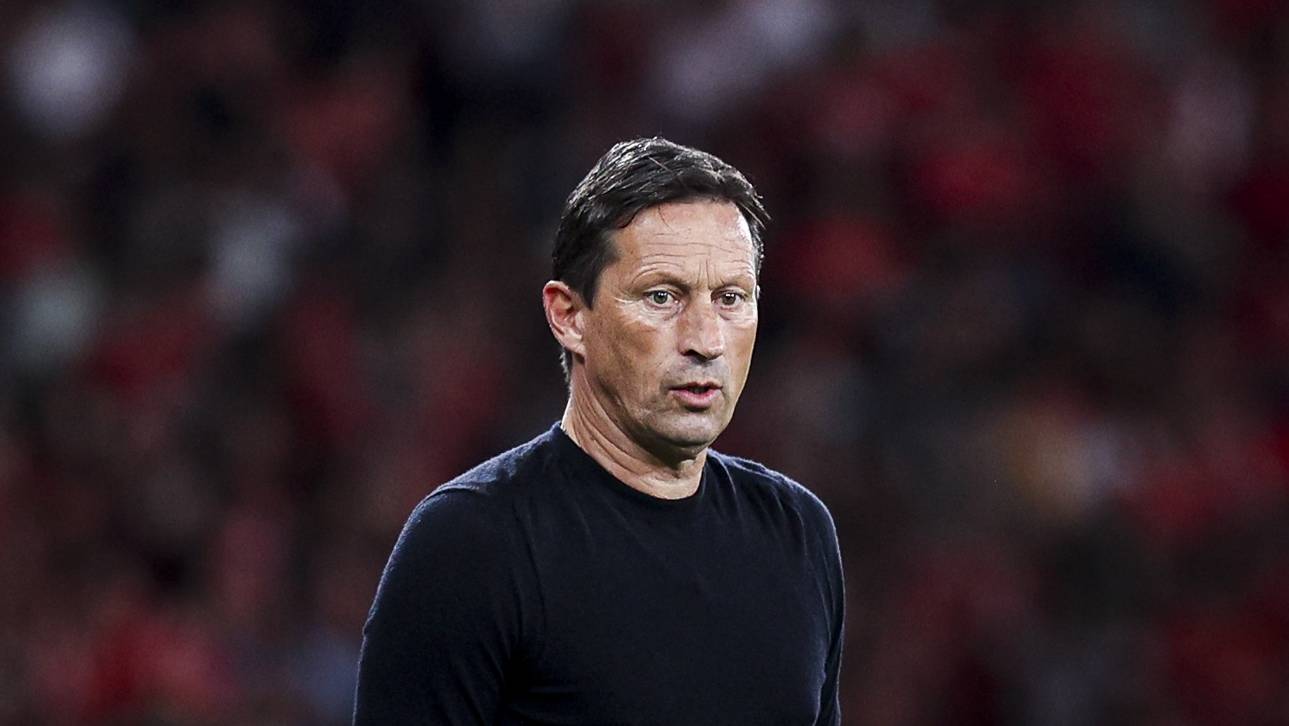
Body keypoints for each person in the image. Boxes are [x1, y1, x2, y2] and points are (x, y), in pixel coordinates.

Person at [353, 137, 844, 725]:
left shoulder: (798, 535)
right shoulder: (473, 544)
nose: (705, 339)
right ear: (569, 316)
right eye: (662, 297)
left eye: (730, 298)